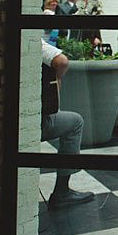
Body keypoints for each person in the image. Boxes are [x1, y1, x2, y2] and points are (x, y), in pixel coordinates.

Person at [41, 39, 95, 208]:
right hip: (35, 122)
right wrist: (57, 79)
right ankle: (62, 192)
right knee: (75, 122)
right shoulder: (31, 37)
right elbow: (61, 61)